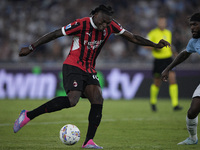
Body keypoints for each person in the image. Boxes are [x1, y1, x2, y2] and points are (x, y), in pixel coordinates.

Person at [14, 5, 170, 149]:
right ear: (95, 15)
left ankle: (88, 141)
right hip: (73, 65)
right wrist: (31, 47)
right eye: (102, 22)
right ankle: (28, 115)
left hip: (89, 69)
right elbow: (55, 34)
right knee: (72, 100)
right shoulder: (81, 24)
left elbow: (133, 37)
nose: (104, 26)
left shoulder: (111, 25)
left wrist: (154, 45)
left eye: (107, 24)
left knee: (97, 99)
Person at [161, 12, 200, 145]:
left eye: (195, 24)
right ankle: (193, 138)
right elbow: (184, 54)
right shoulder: (194, 42)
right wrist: (168, 68)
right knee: (192, 111)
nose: (192, 28)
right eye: (191, 25)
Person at [146, 15, 182, 112]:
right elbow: (146, 46)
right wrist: (155, 47)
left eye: (164, 22)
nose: (162, 24)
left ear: (166, 23)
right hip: (158, 60)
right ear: (158, 23)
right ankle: (153, 102)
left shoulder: (168, 32)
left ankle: (175, 104)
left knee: (173, 79)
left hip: (168, 60)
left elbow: (170, 45)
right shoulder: (153, 33)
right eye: (160, 22)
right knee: (157, 83)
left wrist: (175, 53)